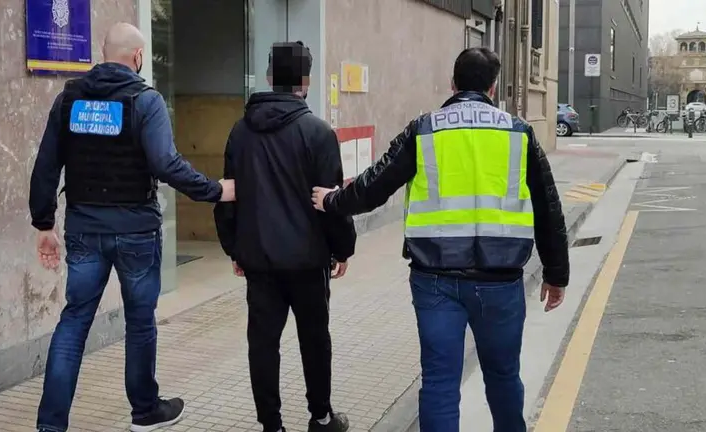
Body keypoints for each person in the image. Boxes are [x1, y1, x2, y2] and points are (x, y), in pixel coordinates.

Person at [311, 47, 569, 432]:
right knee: (502, 376)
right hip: (501, 281)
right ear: (493, 88)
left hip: (435, 280)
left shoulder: (425, 129)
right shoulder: (519, 133)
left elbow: (374, 185)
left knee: (439, 382)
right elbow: (549, 206)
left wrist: (332, 200)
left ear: (452, 84)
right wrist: (556, 273)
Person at [29, 22, 235, 432]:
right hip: (137, 232)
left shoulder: (69, 99)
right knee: (140, 321)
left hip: (84, 231)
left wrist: (44, 223)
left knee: (73, 322)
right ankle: (144, 411)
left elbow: (46, 164)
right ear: (138, 57)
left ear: (104, 54)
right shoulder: (145, 99)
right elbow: (166, 164)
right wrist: (216, 190)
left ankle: (50, 426)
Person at [214, 41, 355, 432]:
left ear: (270, 77)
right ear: (305, 81)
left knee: (262, 344)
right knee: (314, 339)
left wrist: (234, 249)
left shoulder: (240, 132)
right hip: (309, 262)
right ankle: (321, 417)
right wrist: (343, 248)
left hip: (259, 259)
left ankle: (271, 425)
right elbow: (332, 200)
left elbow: (228, 196)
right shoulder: (318, 132)